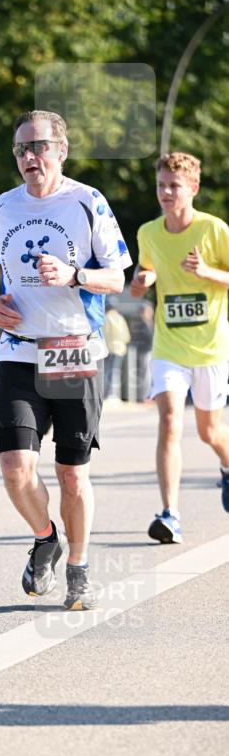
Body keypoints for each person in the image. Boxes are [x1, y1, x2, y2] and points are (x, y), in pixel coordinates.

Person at [0, 109, 132, 610]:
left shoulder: (87, 202)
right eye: (21, 149)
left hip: (73, 348)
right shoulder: (0, 208)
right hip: (18, 352)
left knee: (71, 473)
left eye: (38, 147)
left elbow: (118, 277)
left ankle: (78, 566)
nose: (29, 158)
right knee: (16, 467)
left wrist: (74, 274)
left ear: (61, 150)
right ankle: (46, 538)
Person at [130, 152, 229, 541]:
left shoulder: (214, 230)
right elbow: (148, 269)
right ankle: (170, 513)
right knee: (170, 420)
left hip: (211, 348)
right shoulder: (149, 232)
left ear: (193, 188)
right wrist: (141, 281)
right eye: (161, 186)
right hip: (169, 345)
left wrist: (206, 272)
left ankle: (226, 464)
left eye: (174, 186)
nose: (166, 193)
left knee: (209, 432)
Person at [103, 301, 131, 401]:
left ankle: (107, 394)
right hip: (121, 349)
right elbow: (127, 336)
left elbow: (105, 334)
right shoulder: (120, 318)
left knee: (107, 371)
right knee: (114, 371)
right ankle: (111, 394)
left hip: (109, 348)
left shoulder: (106, 317)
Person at [129, 302, 154, 402]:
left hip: (150, 351)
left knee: (149, 374)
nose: (150, 313)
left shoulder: (150, 323)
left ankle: (148, 395)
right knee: (145, 375)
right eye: (148, 311)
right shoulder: (139, 324)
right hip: (144, 351)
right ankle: (144, 396)